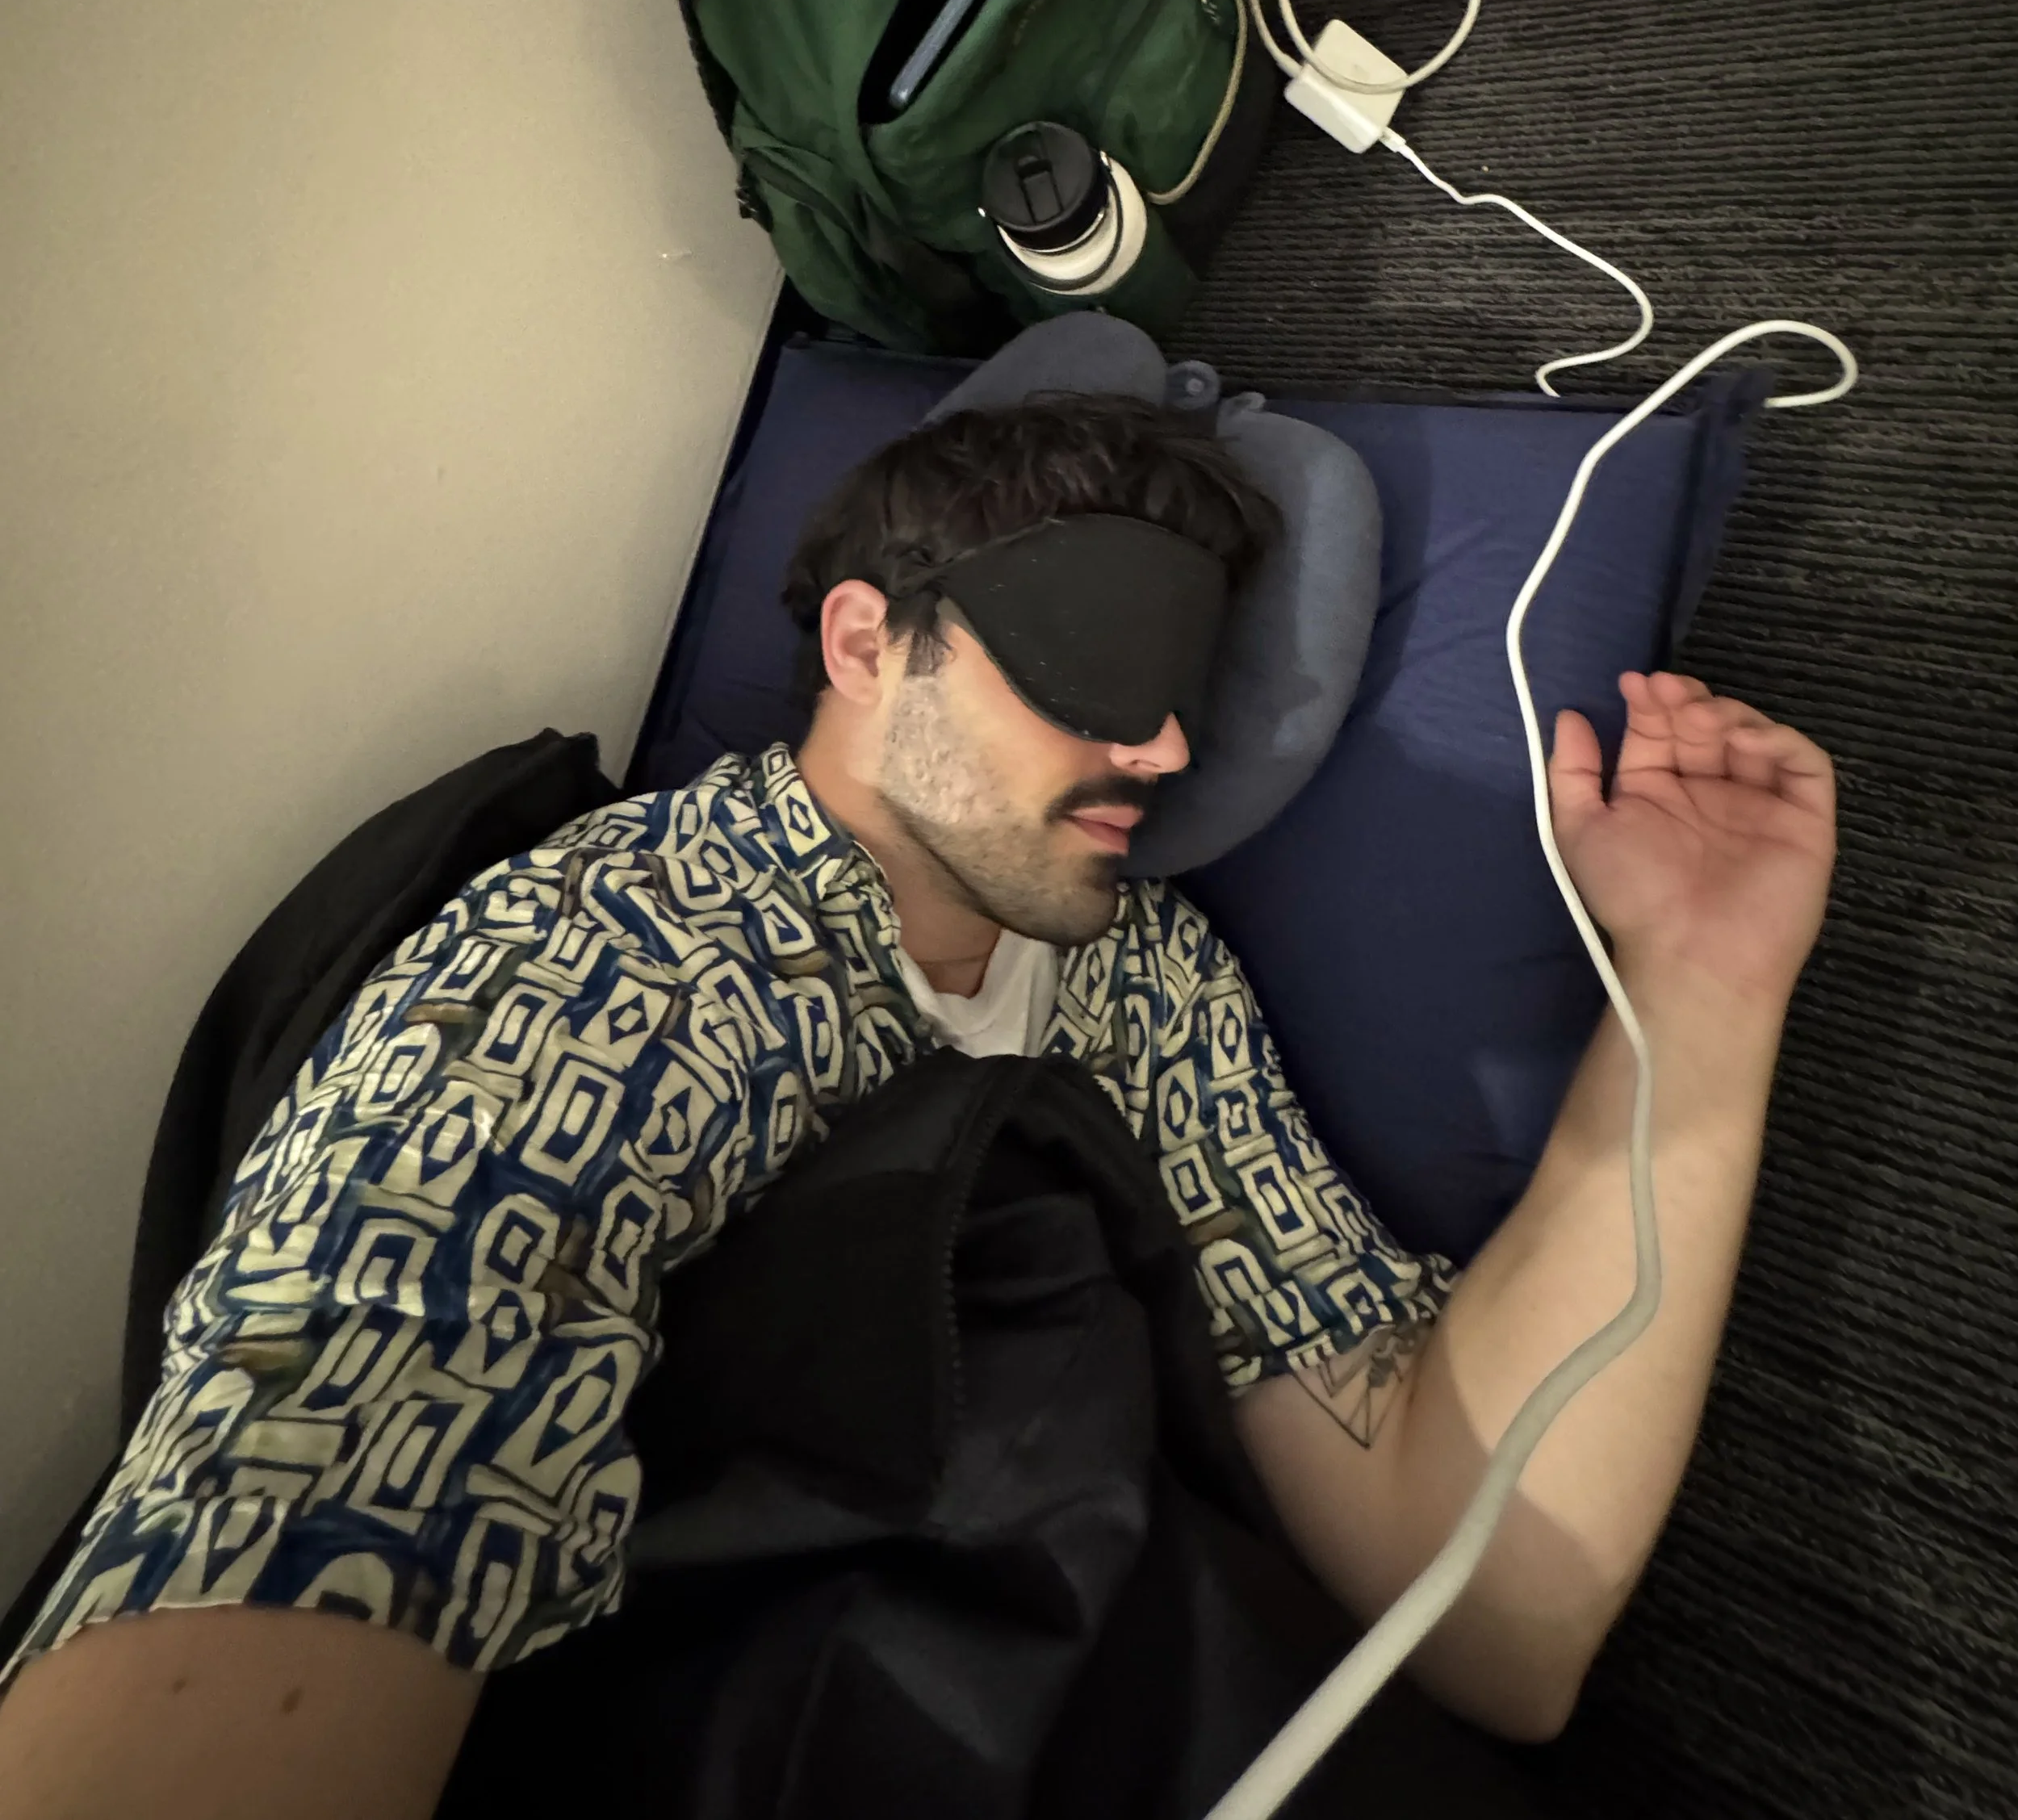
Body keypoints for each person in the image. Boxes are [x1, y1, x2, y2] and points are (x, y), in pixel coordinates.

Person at [0, 395, 1837, 1820]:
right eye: (1100, 659)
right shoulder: (604, 971)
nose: (1171, 747)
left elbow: (1483, 1594)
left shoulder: (1143, 976)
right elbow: (318, 1489)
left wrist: (1696, 988)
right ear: (872, 640)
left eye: (1186, 681)